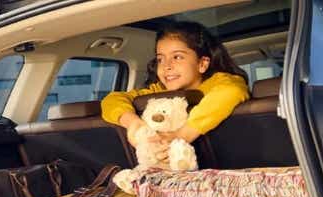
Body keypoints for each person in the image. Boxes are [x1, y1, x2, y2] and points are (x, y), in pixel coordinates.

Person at [101, 21, 250, 164]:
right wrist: (133, 123)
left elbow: (232, 91)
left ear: (202, 64)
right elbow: (112, 99)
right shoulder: (158, 91)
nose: (166, 66)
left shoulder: (219, 83)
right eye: (160, 59)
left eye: (177, 57)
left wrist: (182, 135)